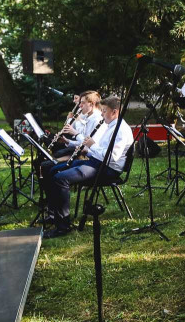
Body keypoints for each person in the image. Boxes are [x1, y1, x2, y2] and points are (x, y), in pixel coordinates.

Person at [42, 96, 133, 238]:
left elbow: (112, 157)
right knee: (53, 170)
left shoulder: (121, 130)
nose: (101, 114)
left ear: (114, 112)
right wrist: (87, 150)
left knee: (61, 179)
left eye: (104, 111)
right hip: (97, 162)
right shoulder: (112, 126)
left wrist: (91, 145)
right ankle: (53, 215)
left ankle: (62, 226)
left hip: (108, 170)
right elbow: (100, 151)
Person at [54, 91, 103, 159]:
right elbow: (82, 142)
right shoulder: (88, 116)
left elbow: (90, 145)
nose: (80, 105)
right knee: (54, 156)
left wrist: (75, 133)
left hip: (90, 157)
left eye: (83, 103)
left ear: (92, 104)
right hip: (81, 153)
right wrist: (68, 141)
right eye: (80, 102)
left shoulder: (97, 120)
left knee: (51, 163)